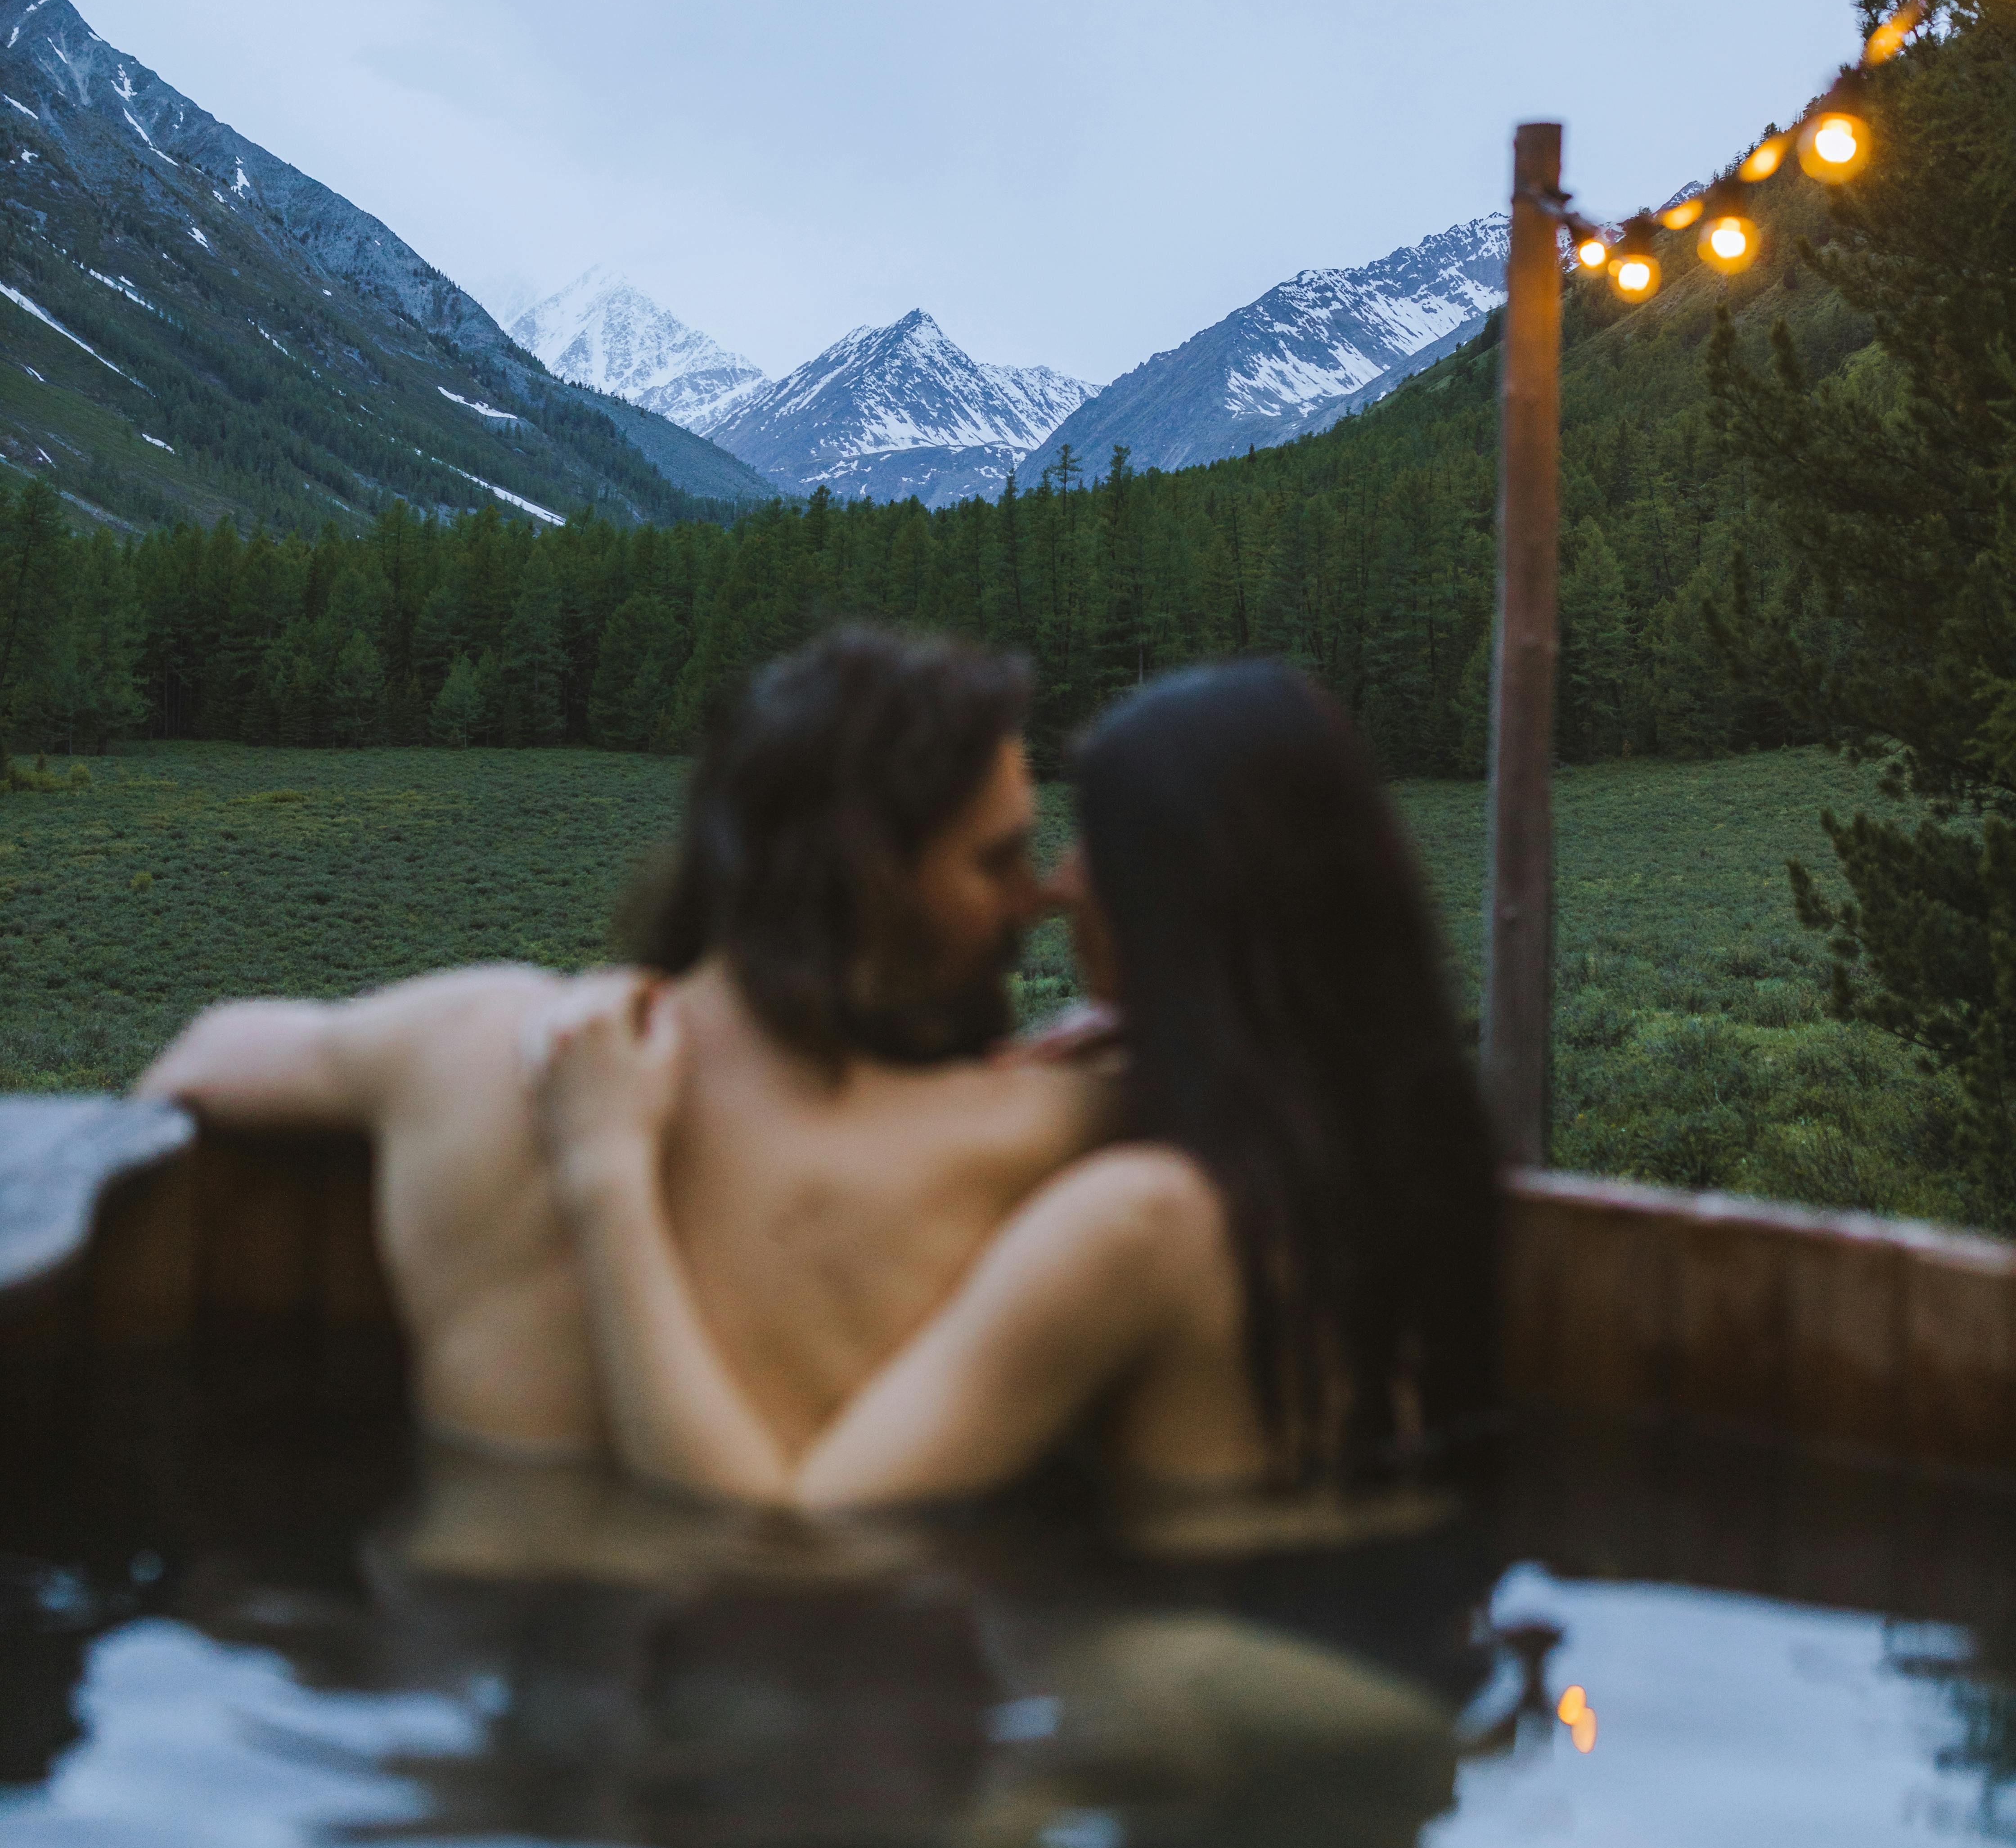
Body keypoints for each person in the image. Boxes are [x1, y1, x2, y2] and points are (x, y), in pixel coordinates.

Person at [534, 656, 1500, 1508]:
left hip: (1185, 1685)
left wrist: (606, 1174)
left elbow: (780, 1529)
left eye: (1097, 843)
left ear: (1181, 891)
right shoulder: (1379, 1151)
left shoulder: (1137, 1224)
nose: (1055, 886)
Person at [137, 628, 1112, 1457]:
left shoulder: (477, 1043)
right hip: (790, 1650)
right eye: (997, 859)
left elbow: (203, 1057)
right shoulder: (991, 1133)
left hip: (469, 1628)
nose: (1031, 898)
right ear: (872, 875)